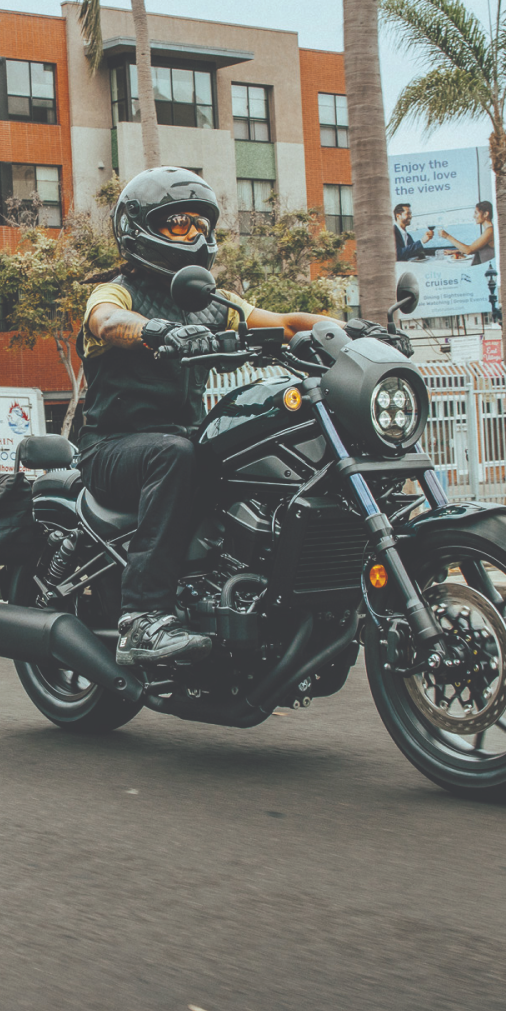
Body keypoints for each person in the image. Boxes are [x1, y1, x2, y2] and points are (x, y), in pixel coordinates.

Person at [77, 167, 350, 666]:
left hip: (180, 440)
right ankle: (142, 619)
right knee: (177, 455)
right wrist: (157, 331)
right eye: (180, 223)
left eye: (203, 225)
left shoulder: (210, 302)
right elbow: (108, 322)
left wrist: (346, 333)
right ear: (141, 228)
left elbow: (282, 324)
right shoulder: (115, 292)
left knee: (251, 456)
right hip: (113, 447)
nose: (196, 235)